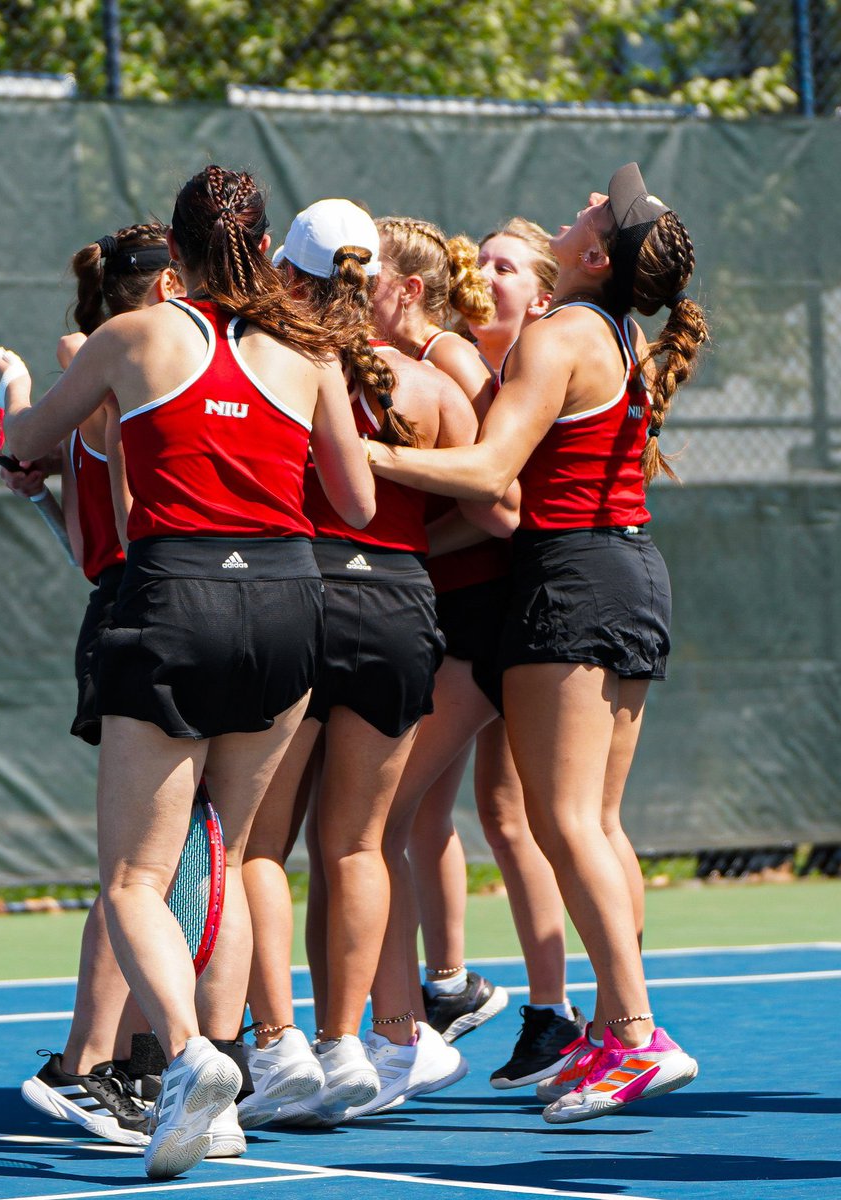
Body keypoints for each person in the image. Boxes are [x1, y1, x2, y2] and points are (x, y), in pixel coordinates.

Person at [0, 165, 375, 1177]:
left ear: (181, 247)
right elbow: (358, 503)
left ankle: (192, 1058)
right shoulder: (311, 351)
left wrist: (22, 408)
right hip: (292, 607)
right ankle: (231, 1085)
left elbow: (24, 441)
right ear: (260, 243)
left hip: (175, 600)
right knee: (239, 853)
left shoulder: (135, 336)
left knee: (135, 878)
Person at [365, 163, 708, 1123]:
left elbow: (487, 469)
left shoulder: (562, 334)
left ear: (595, 255)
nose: (583, 206)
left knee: (565, 823)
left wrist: (357, 452)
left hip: (577, 583)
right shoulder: (617, 332)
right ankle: (610, 1027)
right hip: (627, 573)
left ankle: (636, 1034)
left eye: (597, 212)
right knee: (593, 822)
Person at [239, 199, 512, 1128]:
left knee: (259, 849)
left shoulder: (282, 368)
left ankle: (278, 1048)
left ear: (294, 278)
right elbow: (491, 500)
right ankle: (350, 1042)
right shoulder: (432, 387)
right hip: (401, 605)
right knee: (358, 844)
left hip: (301, 599)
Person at [8, 223, 227, 1152]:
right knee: (149, 861)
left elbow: (65, 468)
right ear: (164, 282)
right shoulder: (128, 355)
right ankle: (111, 1061)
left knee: (147, 863)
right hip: (160, 596)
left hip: (149, 597)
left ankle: (112, 1061)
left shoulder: (111, 359)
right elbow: (127, 497)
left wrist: (18, 409)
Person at [369, 216, 584, 1092]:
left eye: (507, 264)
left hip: (483, 615)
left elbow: (502, 508)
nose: (485, 271)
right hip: (481, 612)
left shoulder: (453, 363)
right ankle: (539, 1011)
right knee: (495, 817)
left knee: (383, 817)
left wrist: (410, 543)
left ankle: (406, 1027)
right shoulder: (449, 362)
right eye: (483, 259)